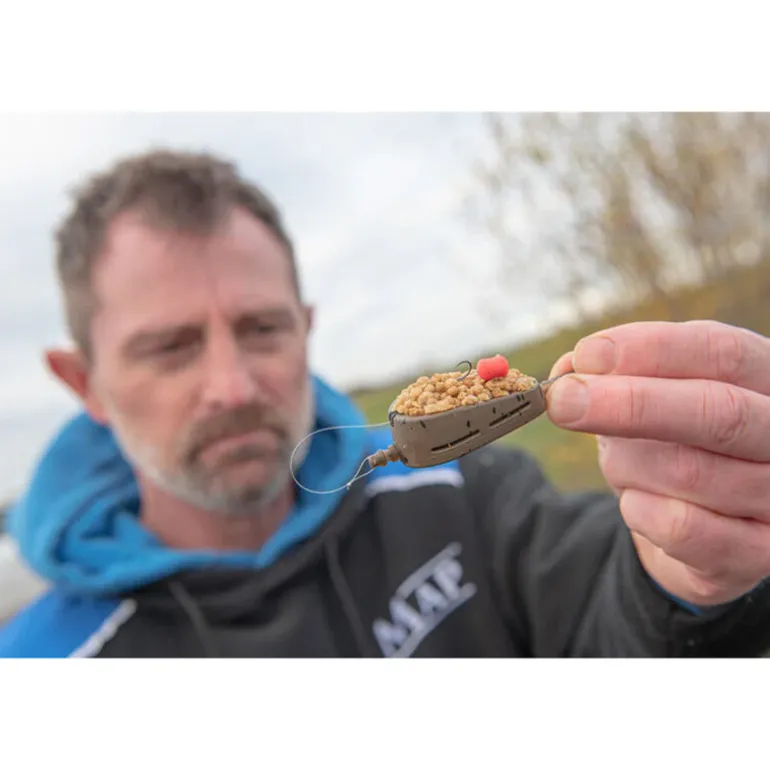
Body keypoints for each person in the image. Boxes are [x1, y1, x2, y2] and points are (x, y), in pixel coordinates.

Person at [2, 148, 770, 658]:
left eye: (262, 328)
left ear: (305, 328)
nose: (233, 386)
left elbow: (613, 625)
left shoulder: (467, 494)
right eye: (171, 347)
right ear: (85, 383)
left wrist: (688, 580)